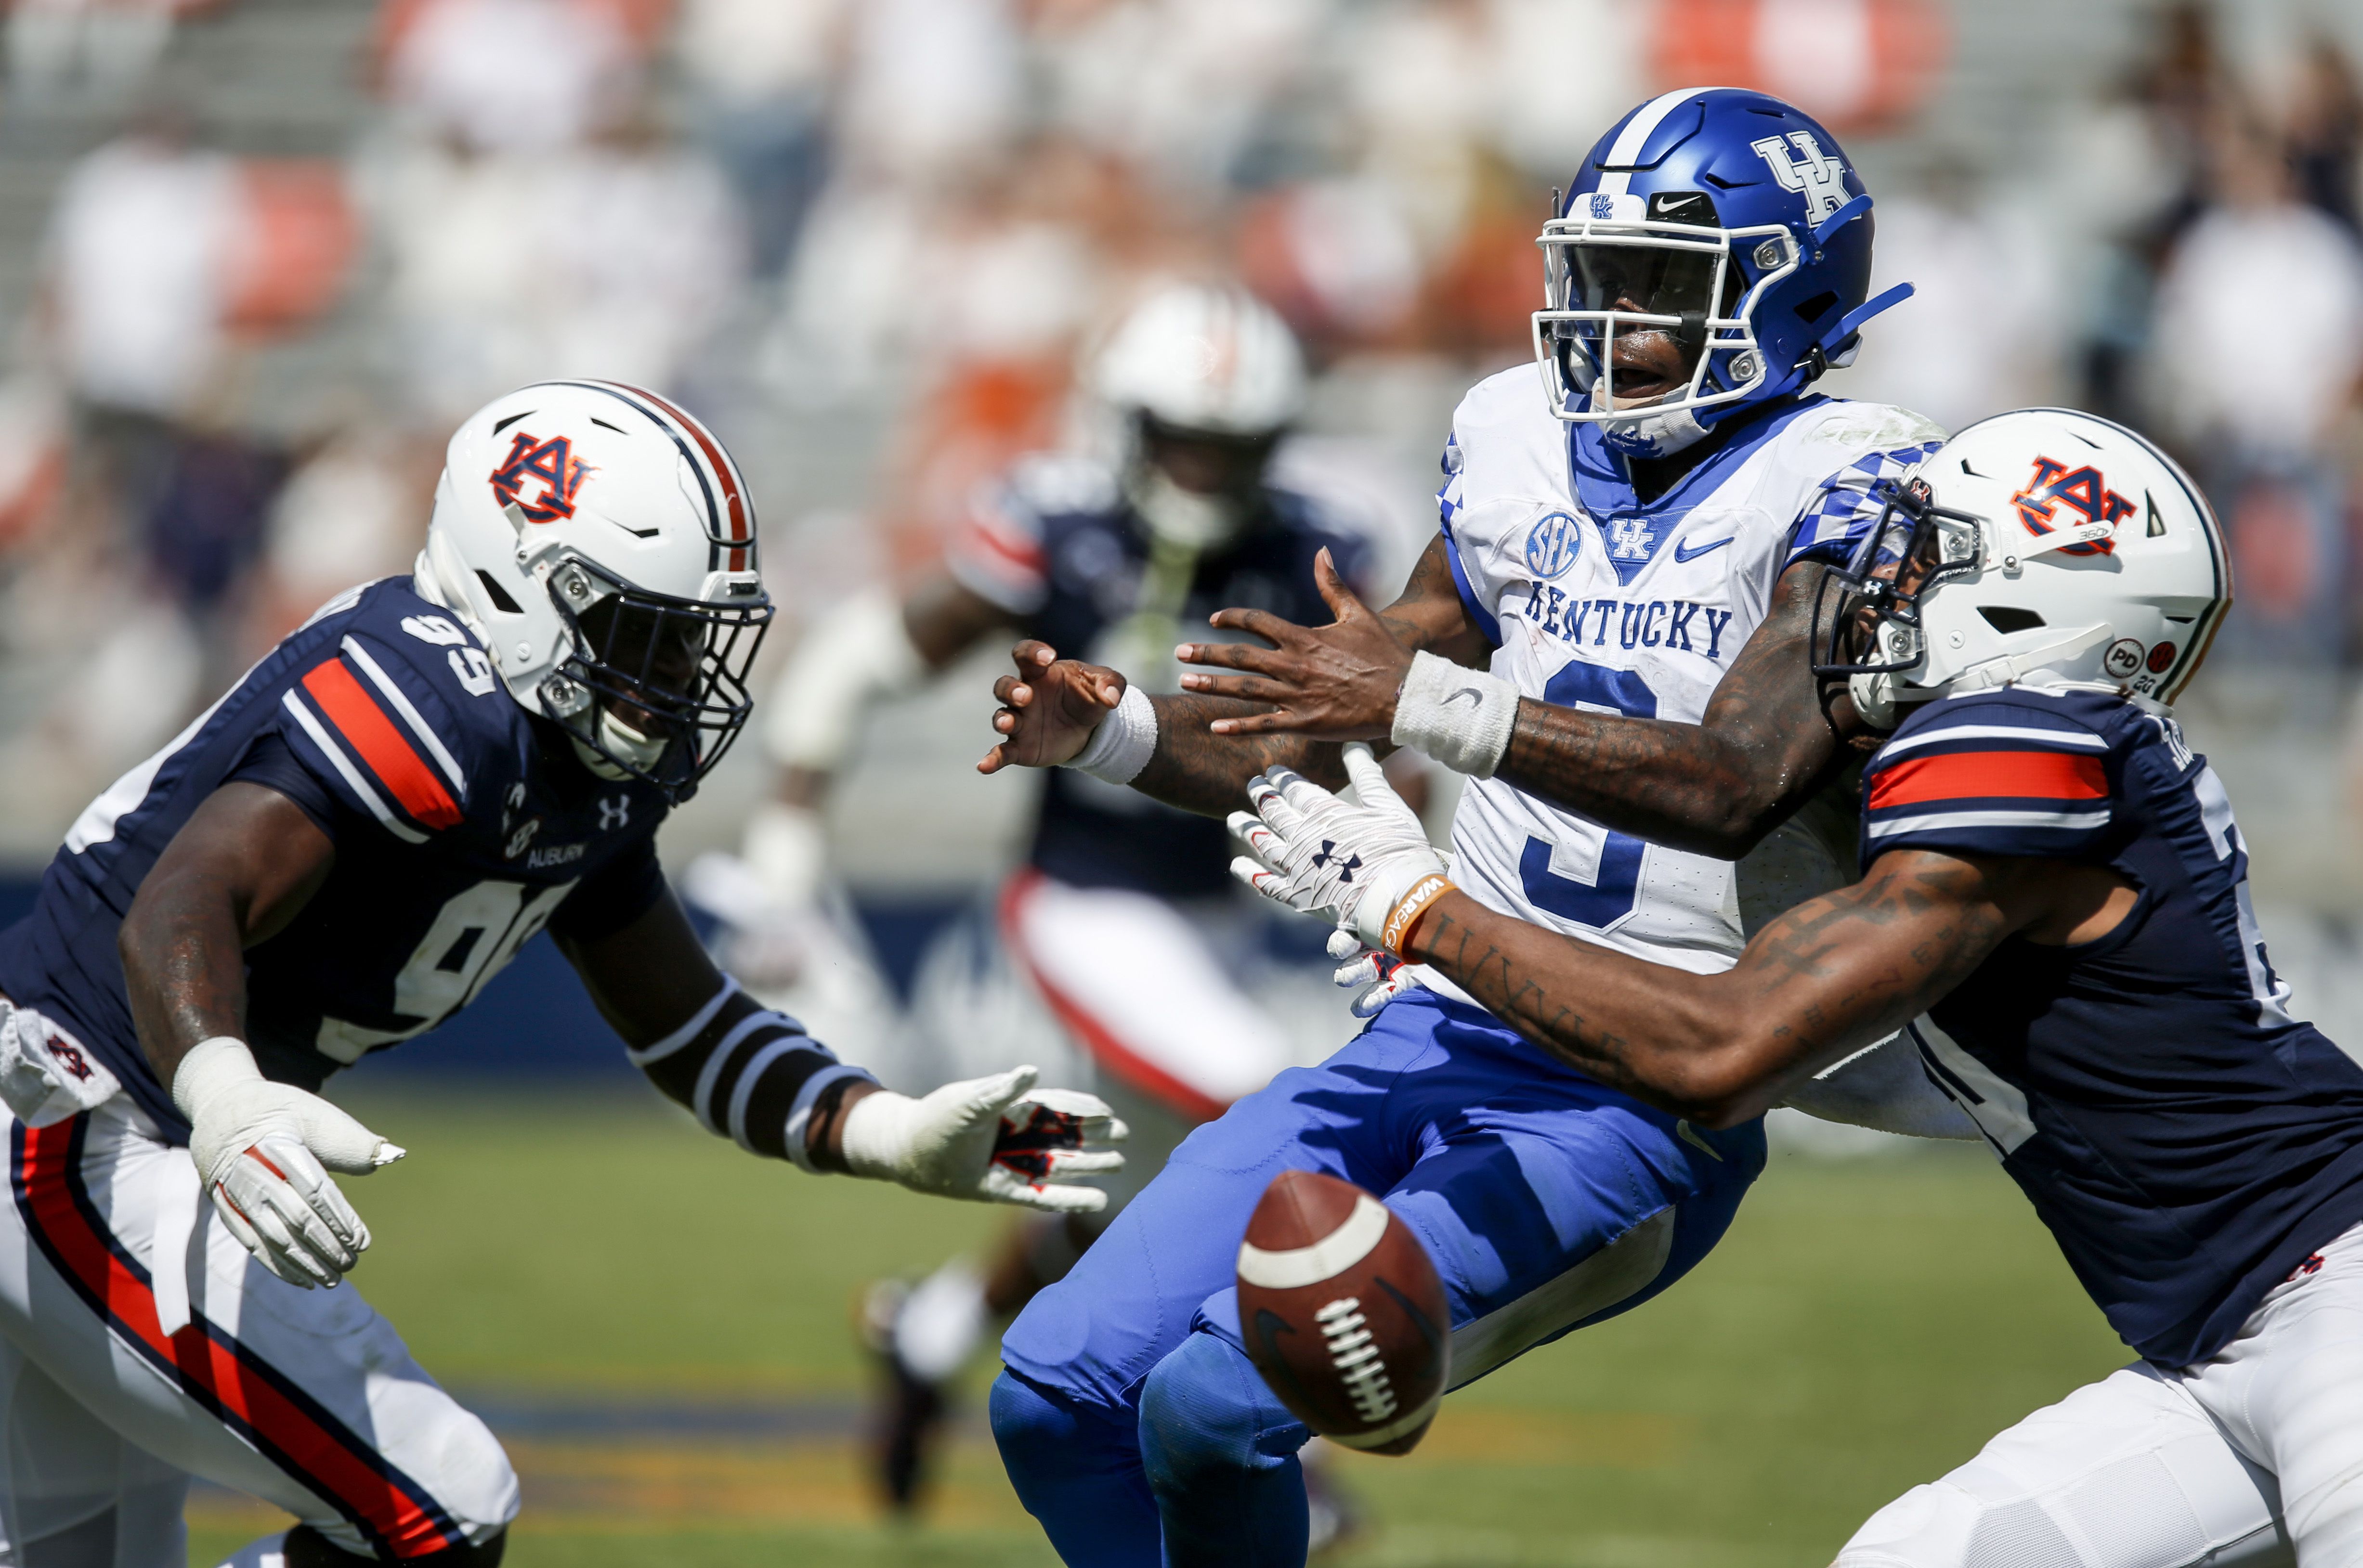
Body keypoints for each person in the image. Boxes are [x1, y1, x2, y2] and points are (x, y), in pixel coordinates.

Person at [974, 88, 1971, 1566]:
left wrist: (1438, 704)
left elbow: (1735, 775)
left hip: (1635, 1087)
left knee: (1213, 1405)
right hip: (1430, 1025)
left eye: (1662, 284)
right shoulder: (1513, 437)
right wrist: (1113, 733)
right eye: (1601, 272)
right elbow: (1329, 714)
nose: (1607, 313)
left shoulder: (1859, 477)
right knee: (1055, 1394)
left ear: (1791, 289)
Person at [0, 380, 1122, 1568]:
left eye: (697, 633)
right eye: (650, 631)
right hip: (74, 1117)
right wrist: (223, 1098)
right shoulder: (430, 695)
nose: (685, 670)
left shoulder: (575, 757)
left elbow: (690, 1032)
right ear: (516, 593)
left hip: (126, 1131)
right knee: (441, 1505)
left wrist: (891, 1135)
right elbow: (183, 903)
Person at [1233, 405, 2363, 1565]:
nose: (1879, 582)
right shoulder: (2034, 748)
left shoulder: (2030, 744)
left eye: (1928, 556)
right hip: (2218, 1338)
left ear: (2037, 600)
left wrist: (1419, 909)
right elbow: (1736, 992)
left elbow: (1721, 1053)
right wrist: (1454, 933)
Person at [734, 282, 1378, 1513]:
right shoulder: (1055, 524)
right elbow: (861, 658)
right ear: (1126, 424)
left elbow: (1386, 745)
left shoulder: (1311, 543)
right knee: (1269, 1116)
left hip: (1227, 909)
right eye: (1184, 436)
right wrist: (787, 846)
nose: (1206, 467)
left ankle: (926, 1334)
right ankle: (1292, 1446)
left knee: (1119, 1180)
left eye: (1231, 443)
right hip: (1085, 901)